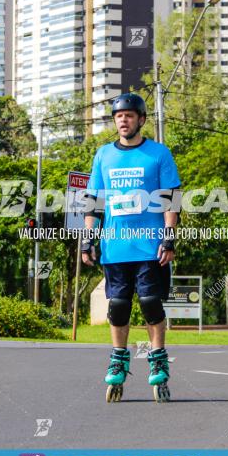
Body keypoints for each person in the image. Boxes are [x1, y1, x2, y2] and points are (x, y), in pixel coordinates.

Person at [82, 93, 181, 403]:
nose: (123, 120)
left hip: (150, 246)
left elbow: (171, 198)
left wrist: (169, 237)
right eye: (118, 116)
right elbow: (93, 202)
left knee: (151, 303)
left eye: (128, 115)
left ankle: (158, 358)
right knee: (118, 306)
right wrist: (88, 238)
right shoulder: (103, 156)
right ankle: (118, 358)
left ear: (140, 119)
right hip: (115, 246)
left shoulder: (158, 154)